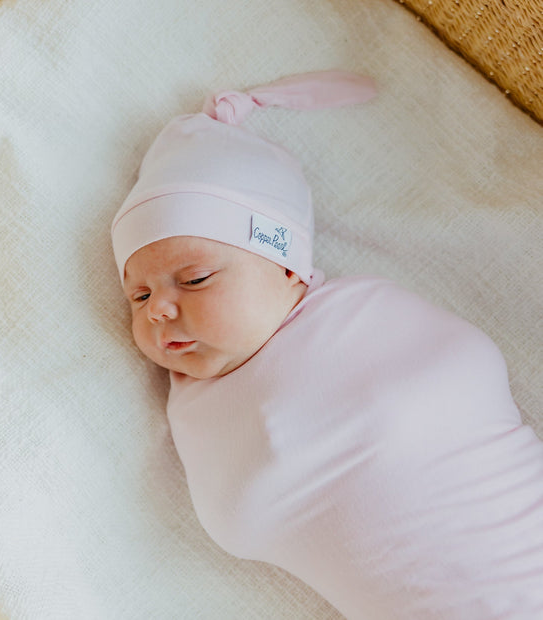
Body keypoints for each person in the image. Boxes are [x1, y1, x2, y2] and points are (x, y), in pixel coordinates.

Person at [111, 71, 543, 619]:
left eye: (194, 279)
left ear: (288, 267)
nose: (158, 309)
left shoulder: (361, 319)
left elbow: (456, 373)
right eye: (139, 294)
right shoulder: (195, 409)